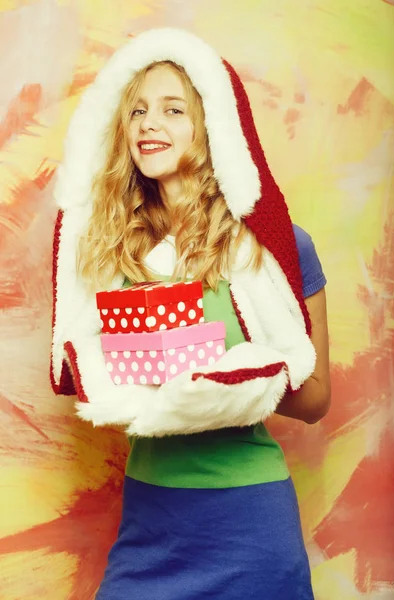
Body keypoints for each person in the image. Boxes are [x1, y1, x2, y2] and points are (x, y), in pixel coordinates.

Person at [50, 28, 330, 600]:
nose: (148, 124)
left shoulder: (277, 249)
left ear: (214, 130)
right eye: (137, 111)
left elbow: (317, 398)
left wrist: (226, 377)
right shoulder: (113, 253)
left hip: (249, 523)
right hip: (152, 519)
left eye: (172, 110)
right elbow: (80, 378)